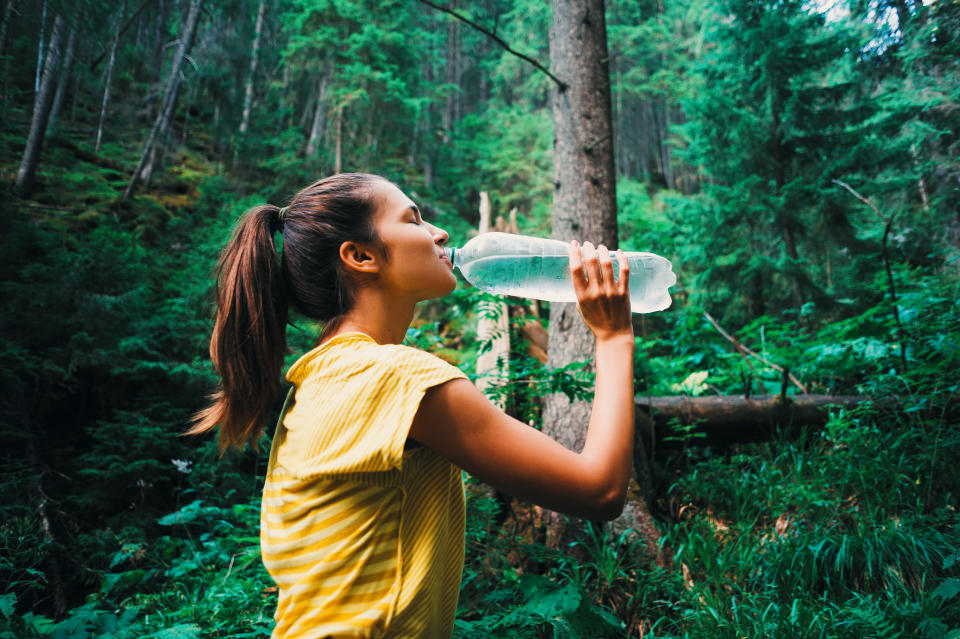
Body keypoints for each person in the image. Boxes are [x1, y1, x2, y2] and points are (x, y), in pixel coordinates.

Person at [189, 173, 636, 638]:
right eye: (414, 219)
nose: (439, 234)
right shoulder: (395, 378)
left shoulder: (318, 378)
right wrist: (613, 335)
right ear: (361, 256)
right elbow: (599, 490)